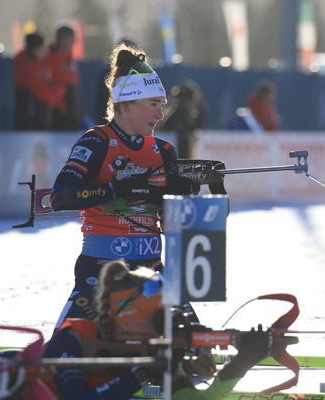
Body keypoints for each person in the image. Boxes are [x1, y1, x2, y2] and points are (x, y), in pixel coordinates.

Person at [49, 42, 197, 329]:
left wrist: (188, 199)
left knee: (194, 357)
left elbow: (175, 227)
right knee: (64, 357)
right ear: (126, 104)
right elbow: (61, 196)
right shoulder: (97, 141)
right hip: (103, 271)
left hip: (152, 271)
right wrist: (117, 189)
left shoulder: (164, 150)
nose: (160, 114)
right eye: (154, 105)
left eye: (162, 106)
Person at [43, 259, 272, 400]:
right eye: (156, 318)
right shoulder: (74, 337)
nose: (162, 327)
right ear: (126, 315)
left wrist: (243, 362)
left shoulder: (152, 351)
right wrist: (140, 374)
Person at [13, 32, 64, 130]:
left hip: (34, 120)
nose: (46, 50)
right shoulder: (28, 68)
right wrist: (61, 104)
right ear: (35, 50)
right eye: (43, 47)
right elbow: (44, 95)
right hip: (30, 124)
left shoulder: (33, 61)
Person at [160, 79, 208, 158]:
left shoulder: (180, 116)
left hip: (181, 157)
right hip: (178, 159)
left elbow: (198, 126)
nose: (193, 103)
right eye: (192, 100)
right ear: (185, 99)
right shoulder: (178, 118)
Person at [47, 25, 81, 130]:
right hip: (54, 109)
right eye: (68, 39)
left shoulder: (69, 57)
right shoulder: (51, 56)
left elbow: (75, 80)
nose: (71, 43)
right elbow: (59, 78)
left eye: (72, 40)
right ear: (60, 40)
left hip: (69, 109)